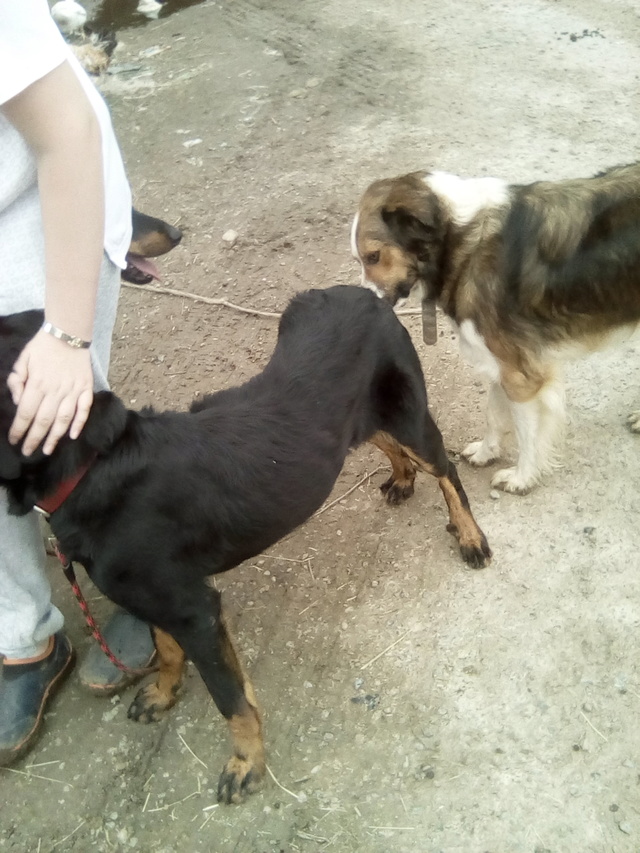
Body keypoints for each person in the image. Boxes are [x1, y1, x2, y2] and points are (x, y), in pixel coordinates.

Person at [0, 0, 155, 767]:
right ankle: (24, 639)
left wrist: (65, 334)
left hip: (34, 195)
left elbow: (65, 133)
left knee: (61, 429)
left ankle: (139, 581)